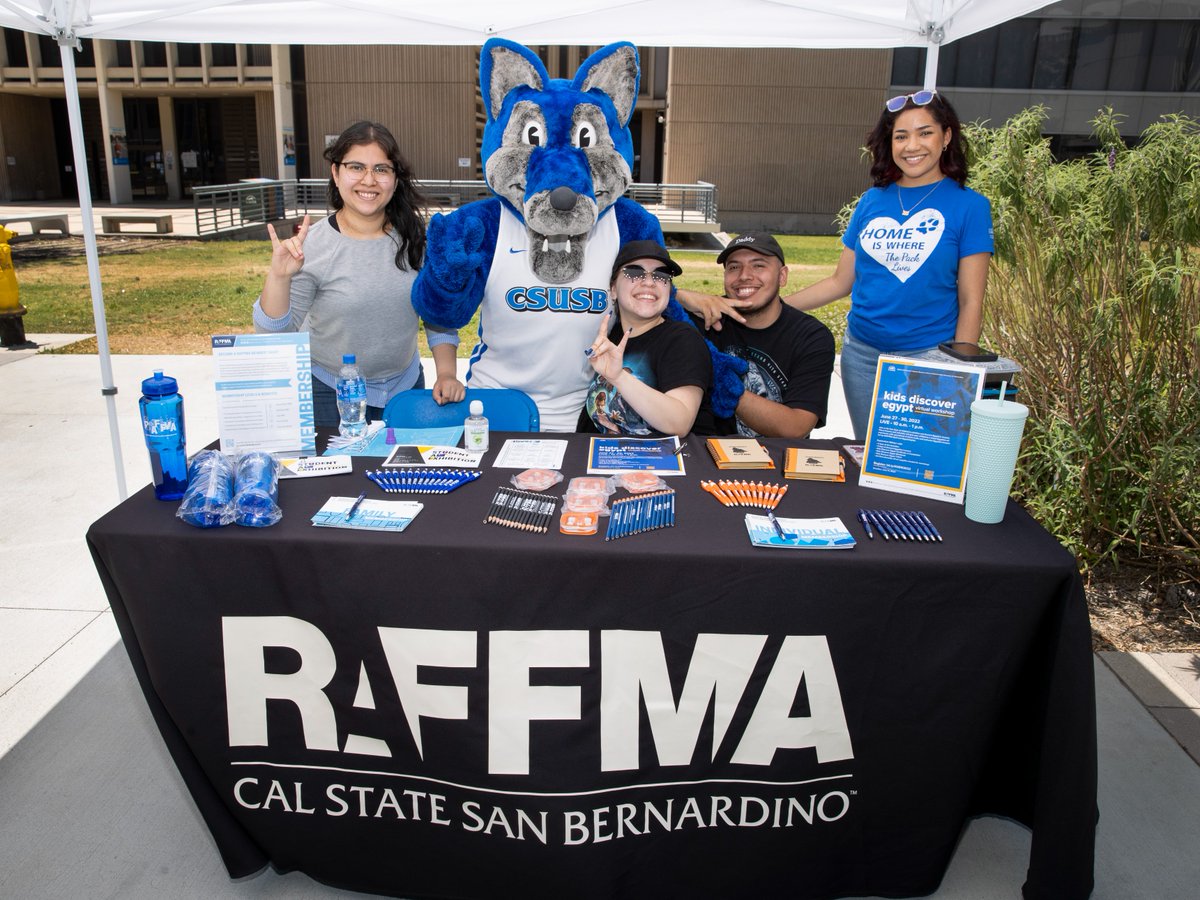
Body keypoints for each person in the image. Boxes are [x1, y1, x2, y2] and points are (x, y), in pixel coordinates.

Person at [781, 90, 993, 439]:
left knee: (920, 458)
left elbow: (971, 299)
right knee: (870, 454)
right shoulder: (871, 201)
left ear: (946, 137)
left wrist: (959, 372)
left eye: (925, 133)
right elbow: (840, 282)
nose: (912, 146)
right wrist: (774, 307)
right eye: (901, 136)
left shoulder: (970, 206)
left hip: (928, 358)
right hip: (862, 356)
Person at [253, 121, 463, 427]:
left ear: (395, 179)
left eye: (381, 169)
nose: (369, 180)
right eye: (356, 167)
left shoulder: (417, 240)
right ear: (336, 173)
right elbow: (274, 336)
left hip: (404, 389)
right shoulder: (311, 245)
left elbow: (438, 316)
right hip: (329, 394)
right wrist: (279, 276)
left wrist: (446, 373)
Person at [692, 232, 834, 438]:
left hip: (777, 454)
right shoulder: (706, 320)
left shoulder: (811, 337)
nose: (744, 275)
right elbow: (650, 304)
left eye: (758, 265)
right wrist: (683, 296)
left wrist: (728, 386)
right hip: (707, 450)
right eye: (734, 267)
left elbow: (796, 427)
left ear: (782, 276)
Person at [578, 240, 712, 437]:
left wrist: (619, 377)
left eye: (661, 275)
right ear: (613, 289)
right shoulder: (612, 337)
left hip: (668, 456)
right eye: (634, 272)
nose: (649, 282)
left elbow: (680, 422)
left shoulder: (683, 340)